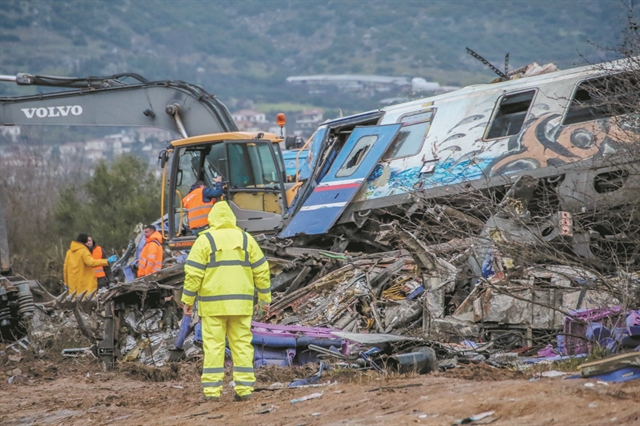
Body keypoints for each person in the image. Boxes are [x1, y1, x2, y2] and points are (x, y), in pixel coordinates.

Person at [181, 201, 271, 402]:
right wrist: (264, 299)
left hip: (213, 306)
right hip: (241, 305)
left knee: (214, 347)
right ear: (232, 218)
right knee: (242, 345)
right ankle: (244, 390)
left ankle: (212, 393)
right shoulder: (247, 239)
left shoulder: (205, 241)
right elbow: (262, 271)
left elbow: (193, 273)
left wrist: (187, 300)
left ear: (212, 219)